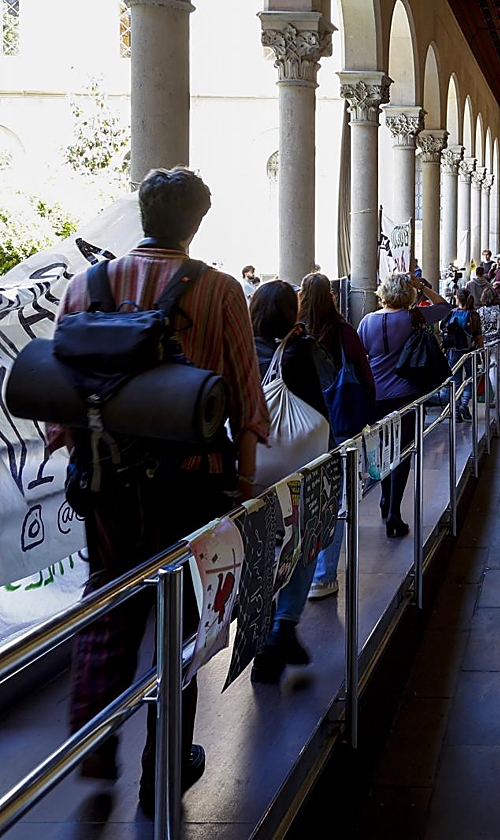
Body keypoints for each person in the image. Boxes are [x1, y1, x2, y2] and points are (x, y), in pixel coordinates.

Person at [52, 167, 270, 812]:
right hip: (193, 485)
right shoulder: (218, 290)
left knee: (108, 601)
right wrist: (245, 479)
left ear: (142, 213)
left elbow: (63, 390)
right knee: (182, 620)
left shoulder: (84, 285)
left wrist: (79, 445)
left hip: (103, 483)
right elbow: (244, 394)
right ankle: (164, 767)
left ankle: (91, 750)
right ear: (196, 222)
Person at [247, 280, 331, 682]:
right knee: (303, 538)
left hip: (252, 464)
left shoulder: (241, 350)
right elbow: (325, 389)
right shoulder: (299, 349)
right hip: (298, 465)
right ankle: (284, 623)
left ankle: (260, 637)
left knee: (259, 549)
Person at [298, 272, 375, 600]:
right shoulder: (344, 332)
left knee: (303, 502)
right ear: (331, 296)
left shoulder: (295, 334)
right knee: (337, 502)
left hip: (303, 430)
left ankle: (296, 577)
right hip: (342, 425)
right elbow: (365, 376)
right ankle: (323, 576)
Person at [357, 274, 451, 538]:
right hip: (405, 394)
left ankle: (385, 497)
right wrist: (422, 286)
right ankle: (393, 512)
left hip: (375, 396)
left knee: (384, 449)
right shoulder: (413, 318)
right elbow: (444, 308)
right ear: (407, 294)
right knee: (402, 451)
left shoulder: (366, 321)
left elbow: (360, 354)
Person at [442, 288, 484, 422]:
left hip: (453, 351)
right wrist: (481, 352)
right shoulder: (474, 315)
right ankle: (464, 404)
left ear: (457, 299)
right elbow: (478, 336)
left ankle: (455, 409)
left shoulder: (451, 313)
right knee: (471, 378)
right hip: (470, 350)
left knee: (455, 380)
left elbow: (444, 330)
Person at [477, 286, 500, 400]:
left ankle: (487, 395)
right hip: (497, 342)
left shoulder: (480, 311)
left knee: (486, 368)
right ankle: (495, 398)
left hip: (484, 343)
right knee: (495, 369)